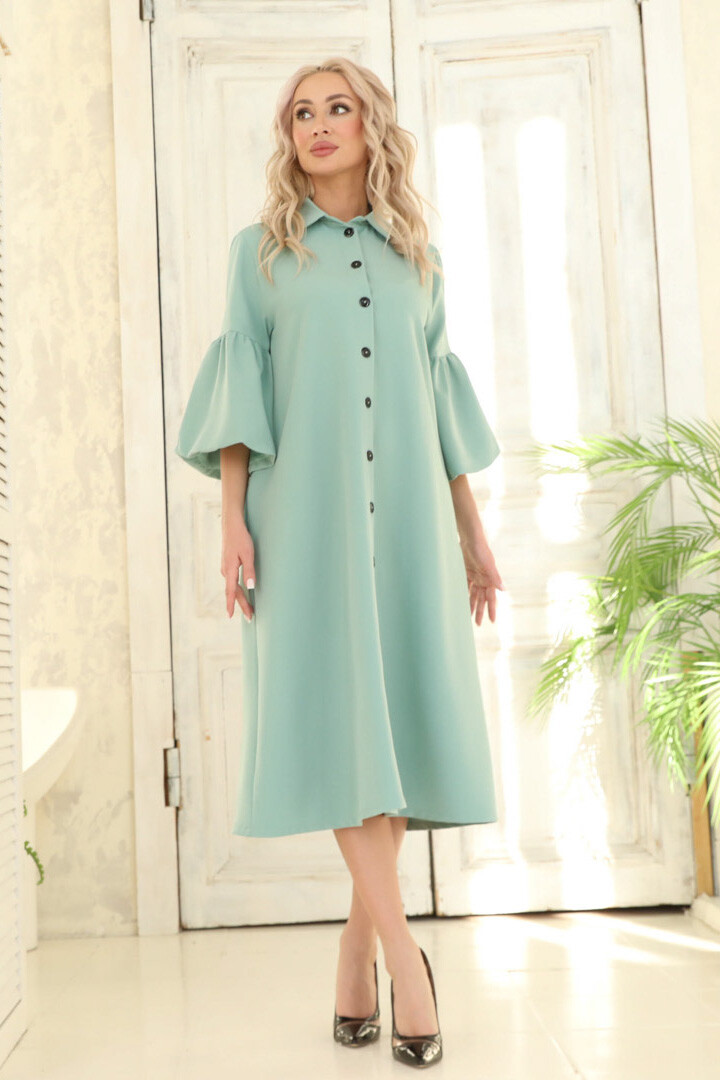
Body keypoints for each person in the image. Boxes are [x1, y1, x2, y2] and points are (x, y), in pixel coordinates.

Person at [175, 56, 503, 1069]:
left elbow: (437, 396)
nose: (319, 125)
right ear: (290, 136)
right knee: (343, 725)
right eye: (302, 113)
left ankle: (355, 954)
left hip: (407, 517)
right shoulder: (260, 255)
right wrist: (233, 522)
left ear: (370, 125)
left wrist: (472, 531)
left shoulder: (418, 257)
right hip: (303, 518)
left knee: (391, 728)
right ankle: (408, 963)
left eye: (339, 108)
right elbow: (242, 386)